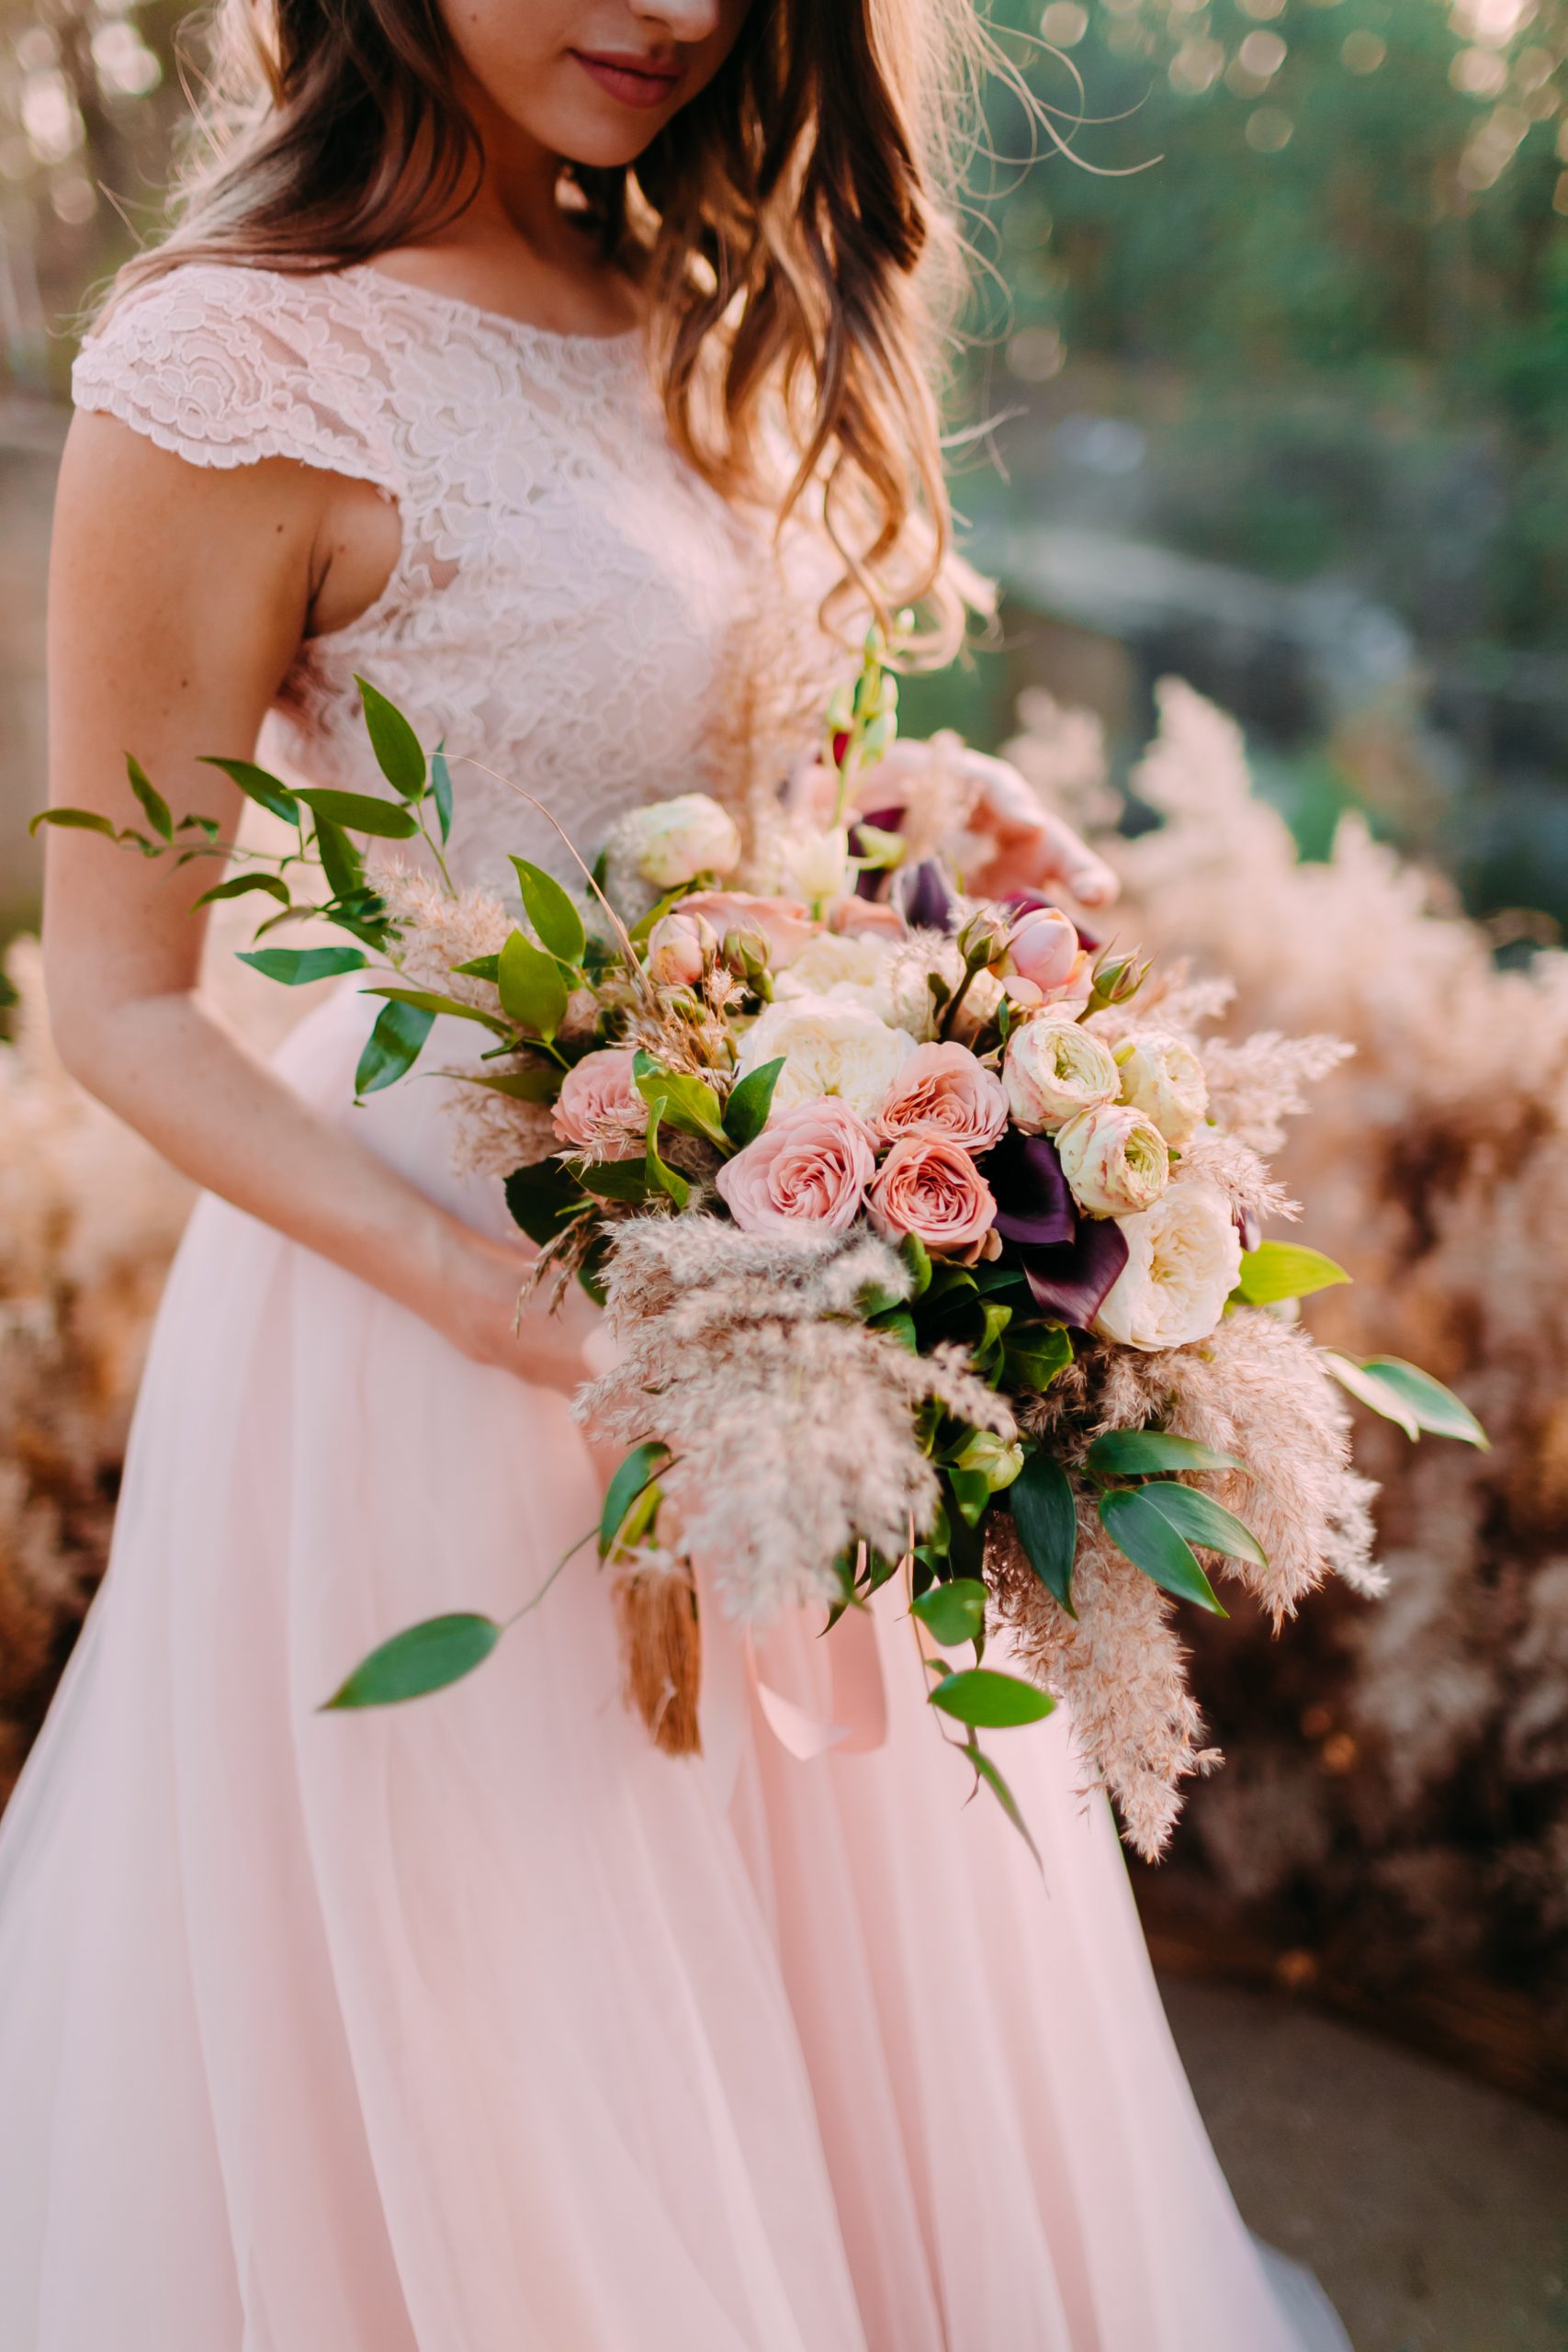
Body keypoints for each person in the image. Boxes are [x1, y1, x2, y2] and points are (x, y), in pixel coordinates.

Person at [0, 5, 1350, 2346]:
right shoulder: (228, 371)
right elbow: (112, 1001)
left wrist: (908, 841)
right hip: (433, 1326)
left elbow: (698, 801)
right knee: (519, 2002)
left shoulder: (692, 285)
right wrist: (516, 1314)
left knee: (830, 1966)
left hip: (775, 1269)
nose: (673, 8)